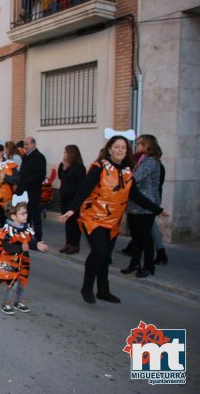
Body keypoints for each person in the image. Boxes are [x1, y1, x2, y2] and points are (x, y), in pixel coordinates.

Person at [59, 130, 167, 304]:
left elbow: (136, 196)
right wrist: (73, 210)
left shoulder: (127, 172)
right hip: (93, 218)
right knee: (99, 251)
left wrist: (157, 209)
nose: (120, 150)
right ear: (109, 149)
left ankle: (103, 290)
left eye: (123, 147)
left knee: (105, 256)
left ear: (127, 151)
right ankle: (87, 288)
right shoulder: (99, 167)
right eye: (116, 146)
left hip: (113, 221)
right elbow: (84, 188)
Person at [0, 192, 48, 315]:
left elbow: (30, 242)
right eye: (22, 213)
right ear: (13, 216)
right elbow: (6, 246)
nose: (26, 215)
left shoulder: (25, 228)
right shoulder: (8, 230)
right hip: (10, 261)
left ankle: (18, 302)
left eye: (26, 212)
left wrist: (37, 245)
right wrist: (20, 248)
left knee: (22, 282)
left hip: (23, 260)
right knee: (11, 283)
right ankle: (5, 304)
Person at [120, 134, 163, 278]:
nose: (136, 146)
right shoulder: (140, 161)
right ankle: (134, 264)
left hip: (145, 205)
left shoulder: (150, 162)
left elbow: (134, 179)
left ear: (147, 146)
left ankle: (148, 266)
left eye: (139, 144)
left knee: (145, 238)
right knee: (136, 237)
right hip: (134, 205)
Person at [17, 136, 47, 242]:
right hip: (23, 192)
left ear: (33, 144)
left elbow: (41, 175)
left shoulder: (39, 157)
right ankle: (26, 235)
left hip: (33, 192)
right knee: (25, 215)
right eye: (24, 144)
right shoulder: (26, 156)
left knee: (35, 215)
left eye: (27, 144)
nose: (25, 146)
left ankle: (38, 237)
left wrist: (27, 182)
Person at [58, 145, 86, 254]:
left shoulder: (79, 167)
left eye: (66, 153)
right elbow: (61, 177)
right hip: (65, 199)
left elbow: (82, 185)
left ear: (72, 154)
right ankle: (68, 243)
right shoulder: (65, 165)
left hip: (73, 200)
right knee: (68, 223)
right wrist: (63, 166)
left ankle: (75, 245)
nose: (64, 155)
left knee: (75, 223)